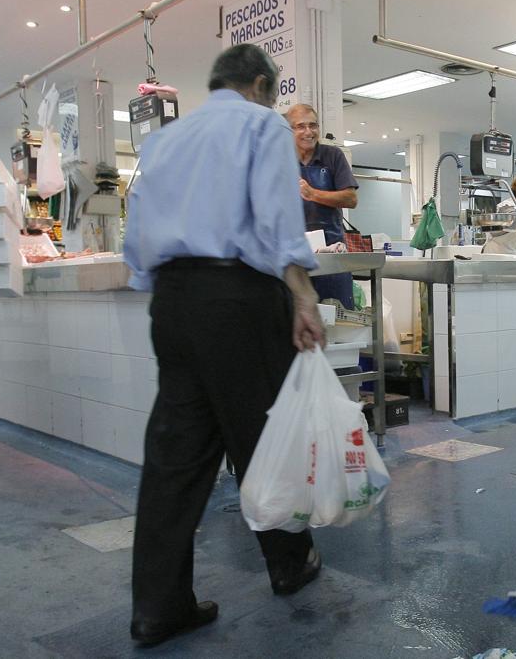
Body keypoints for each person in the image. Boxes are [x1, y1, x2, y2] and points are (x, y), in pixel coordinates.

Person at [123, 44, 327, 648]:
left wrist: (162, 289)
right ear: (261, 85)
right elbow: (275, 217)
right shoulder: (261, 124)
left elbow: (139, 227)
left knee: (175, 457)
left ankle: (157, 607)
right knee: (265, 434)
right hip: (238, 298)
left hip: (174, 299)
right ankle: (290, 564)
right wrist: (302, 293)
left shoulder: (165, 138)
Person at [285, 103, 358, 310]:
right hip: (294, 257)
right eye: (300, 126)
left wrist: (313, 194)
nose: (308, 132)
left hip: (332, 256)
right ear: (289, 131)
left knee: (340, 324)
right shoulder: (280, 161)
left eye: (313, 125)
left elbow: (351, 199)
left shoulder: (332, 156)